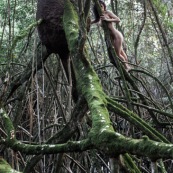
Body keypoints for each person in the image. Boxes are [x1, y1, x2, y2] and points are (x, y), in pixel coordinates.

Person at [91, 0, 131, 71]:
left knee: (117, 54)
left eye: (101, 6)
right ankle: (127, 66)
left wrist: (107, 19)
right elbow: (92, 22)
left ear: (104, 6)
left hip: (116, 35)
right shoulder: (99, 17)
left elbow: (118, 20)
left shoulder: (107, 13)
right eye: (98, 7)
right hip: (111, 38)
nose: (101, 8)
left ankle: (126, 67)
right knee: (121, 52)